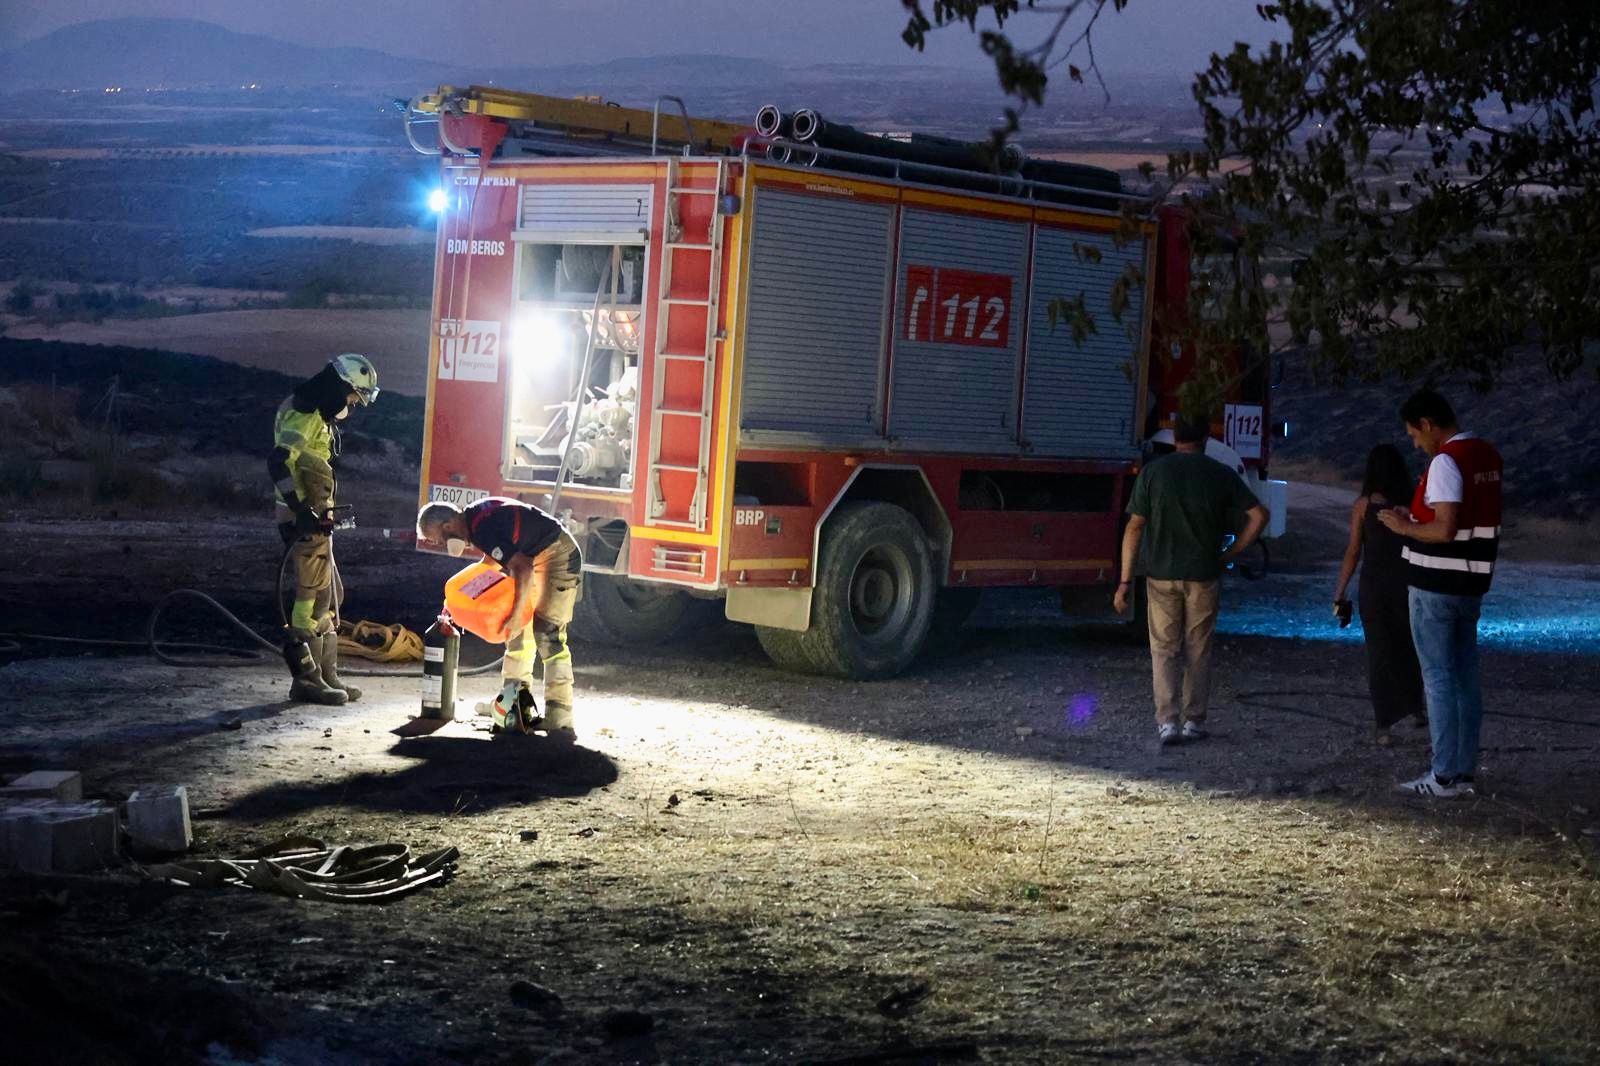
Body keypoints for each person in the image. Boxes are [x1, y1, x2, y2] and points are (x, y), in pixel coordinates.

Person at [1115, 412, 1271, 745]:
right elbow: (1259, 516)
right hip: (1204, 574)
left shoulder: (1154, 472)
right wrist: (1232, 553)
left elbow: (1134, 526)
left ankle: (1167, 722)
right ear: (1205, 440)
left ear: (1174, 439)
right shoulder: (1220, 474)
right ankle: (1194, 721)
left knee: (1164, 649)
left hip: (1160, 575)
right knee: (1198, 648)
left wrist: (1125, 581)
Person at [1378, 389, 1502, 798]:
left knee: (1438, 678)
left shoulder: (1446, 461)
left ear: (1428, 424)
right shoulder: (1486, 455)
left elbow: (1445, 528)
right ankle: (1462, 771)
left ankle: (1444, 774)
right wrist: (1413, 516)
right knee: (1465, 676)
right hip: (1470, 583)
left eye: (1415, 435)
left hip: (1436, 584)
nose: (1416, 443)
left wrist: (1404, 528)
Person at [416, 497, 583, 740]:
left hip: (558, 555)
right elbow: (490, 564)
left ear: (448, 526)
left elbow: (522, 568)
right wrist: (460, 596)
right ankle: (515, 710)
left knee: (547, 632)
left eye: (440, 540)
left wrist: (515, 616)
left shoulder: (482, 527)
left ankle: (560, 713)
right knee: (518, 638)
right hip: (534, 557)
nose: (443, 545)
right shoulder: (474, 520)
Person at [267, 353, 380, 705]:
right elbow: (278, 461)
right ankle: (307, 681)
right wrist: (300, 511)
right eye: (352, 397)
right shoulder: (302, 413)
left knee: (331, 594)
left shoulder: (318, 413)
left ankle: (328, 674)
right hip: (302, 516)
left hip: (318, 514)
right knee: (309, 594)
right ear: (341, 387)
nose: (352, 406)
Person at [1332, 444, 1427, 745]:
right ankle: (1416, 708)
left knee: (1380, 653)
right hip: (1408, 584)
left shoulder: (1362, 506)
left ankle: (1383, 725)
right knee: (1411, 647)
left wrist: (1340, 592)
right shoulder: (1411, 505)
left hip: (1374, 587)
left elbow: (1352, 552)